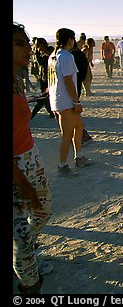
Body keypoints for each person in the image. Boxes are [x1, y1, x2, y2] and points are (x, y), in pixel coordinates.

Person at [13, 22, 53, 294]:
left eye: (26, 42)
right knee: (21, 236)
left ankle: (27, 255)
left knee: (42, 211)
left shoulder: (16, 78)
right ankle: (30, 285)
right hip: (14, 167)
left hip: (30, 156)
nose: (28, 47)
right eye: (19, 43)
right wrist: (23, 183)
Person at [47, 28, 93, 176]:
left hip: (58, 99)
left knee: (79, 126)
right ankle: (62, 165)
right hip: (65, 101)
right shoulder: (66, 56)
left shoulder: (53, 56)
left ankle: (79, 156)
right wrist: (76, 101)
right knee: (67, 133)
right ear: (69, 39)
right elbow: (68, 81)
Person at [70, 37, 94, 146]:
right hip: (74, 88)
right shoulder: (75, 54)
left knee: (72, 116)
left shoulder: (72, 55)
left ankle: (81, 137)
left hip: (71, 90)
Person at [30, 38, 54, 119]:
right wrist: (37, 52)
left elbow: (53, 56)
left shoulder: (50, 49)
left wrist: (44, 51)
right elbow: (40, 63)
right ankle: (50, 112)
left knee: (44, 98)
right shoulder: (38, 53)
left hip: (51, 78)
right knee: (44, 97)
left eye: (39, 44)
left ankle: (32, 115)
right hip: (43, 78)